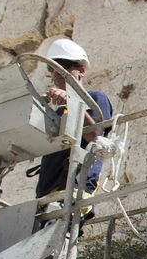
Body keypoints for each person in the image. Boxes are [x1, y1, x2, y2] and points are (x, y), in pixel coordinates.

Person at [27, 38, 114, 202]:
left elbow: (95, 138)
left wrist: (72, 101)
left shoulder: (95, 99)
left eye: (63, 66)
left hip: (75, 188)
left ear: (80, 71)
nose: (55, 74)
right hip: (47, 192)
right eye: (52, 69)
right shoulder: (59, 111)